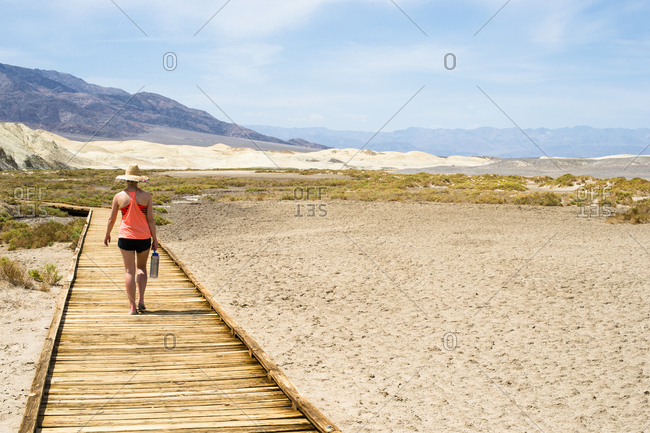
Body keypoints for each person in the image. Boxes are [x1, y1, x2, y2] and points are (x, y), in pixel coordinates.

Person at [104, 165, 158, 315]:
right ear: (138, 180)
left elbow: (111, 218)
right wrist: (155, 239)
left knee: (129, 271)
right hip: (144, 237)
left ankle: (132, 307)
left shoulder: (119, 196)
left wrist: (107, 233)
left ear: (126, 179)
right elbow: (151, 220)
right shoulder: (147, 196)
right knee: (141, 268)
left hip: (125, 237)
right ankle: (141, 300)